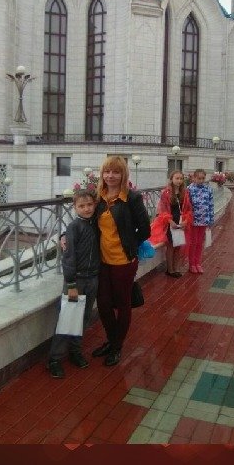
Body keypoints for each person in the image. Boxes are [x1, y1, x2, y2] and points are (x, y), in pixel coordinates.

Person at [91, 156, 151, 367]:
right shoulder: (98, 197)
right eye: (107, 171)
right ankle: (111, 340)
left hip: (123, 261)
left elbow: (145, 229)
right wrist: (65, 236)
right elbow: (85, 221)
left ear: (123, 174)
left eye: (116, 172)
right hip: (102, 260)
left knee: (123, 304)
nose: (110, 176)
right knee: (104, 303)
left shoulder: (132, 198)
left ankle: (116, 346)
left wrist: (129, 246)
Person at [47, 190, 100, 379]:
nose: (86, 209)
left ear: (95, 205)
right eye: (81, 206)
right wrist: (70, 283)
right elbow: (68, 257)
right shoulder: (74, 227)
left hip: (93, 278)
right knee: (68, 318)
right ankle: (54, 358)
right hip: (76, 280)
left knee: (83, 318)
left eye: (89, 205)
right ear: (75, 207)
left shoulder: (97, 224)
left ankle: (75, 351)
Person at [150, 170, 193, 277]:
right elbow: (163, 210)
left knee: (178, 246)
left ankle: (176, 268)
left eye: (181, 178)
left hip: (181, 222)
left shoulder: (185, 193)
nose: (179, 181)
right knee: (171, 246)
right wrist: (170, 221)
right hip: (170, 223)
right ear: (171, 179)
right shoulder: (166, 193)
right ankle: (170, 270)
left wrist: (186, 221)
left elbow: (189, 210)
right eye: (177, 178)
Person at [187, 169, 214, 273]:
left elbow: (211, 205)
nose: (201, 180)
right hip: (193, 221)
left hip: (204, 220)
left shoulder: (208, 189)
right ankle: (192, 264)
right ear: (194, 178)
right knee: (193, 242)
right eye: (199, 178)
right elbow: (187, 206)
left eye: (203, 178)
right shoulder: (189, 189)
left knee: (200, 242)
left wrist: (210, 219)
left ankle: (198, 263)